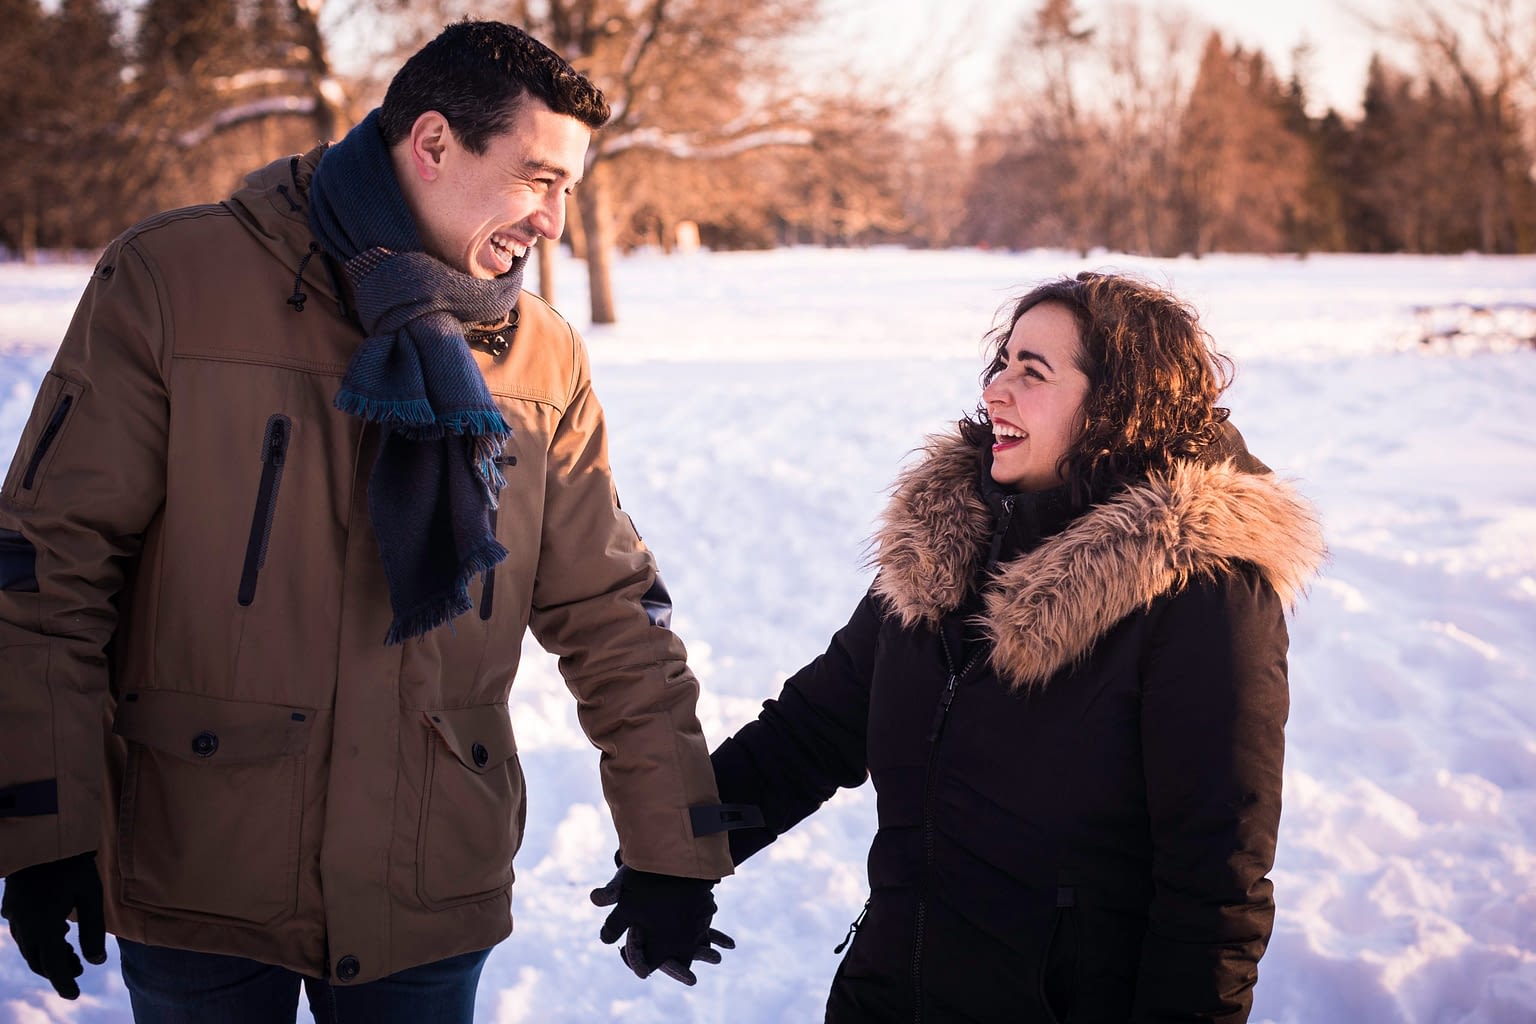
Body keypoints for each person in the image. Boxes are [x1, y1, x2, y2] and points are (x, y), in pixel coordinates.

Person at [0, 19, 739, 1023]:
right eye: (536, 178)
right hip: (200, 868)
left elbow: (609, 607)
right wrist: (43, 825)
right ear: (432, 143)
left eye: (567, 187)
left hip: (427, 880)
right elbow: (48, 564)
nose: (554, 220)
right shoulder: (177, 283)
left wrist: (672, 849)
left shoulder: (540, 355)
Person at [699, 272, 1328, 1022]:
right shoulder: (948, 547)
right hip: (889, 996)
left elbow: (1214, 882)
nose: (995, 389)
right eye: (1002, 363)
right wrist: (673, 853)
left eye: (1033, 372)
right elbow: (812, 731)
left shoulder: (1196, 593)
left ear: (1119, 408)